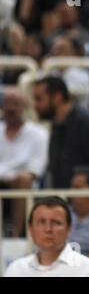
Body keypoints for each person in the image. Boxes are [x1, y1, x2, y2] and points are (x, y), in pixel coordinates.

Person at [32, 76, 89, 188]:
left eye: (39, 99)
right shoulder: (56, 126)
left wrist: (87, 178)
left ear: (57, 97)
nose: (35, 105)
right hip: (65, 200)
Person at [4, 196, 89, 277]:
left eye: (56, 223)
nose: (48, 229)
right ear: (30, 228)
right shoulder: (16, 269)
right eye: (41, 222)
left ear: (69, 228)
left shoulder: (87, 269)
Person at [0, 87, 48, 237]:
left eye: (15, 104)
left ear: (25, 107)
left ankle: (16, 235)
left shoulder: (38, 133)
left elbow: (35, 171)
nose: (11, 108)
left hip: (23, 185)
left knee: (23, 180)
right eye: (7, 103)